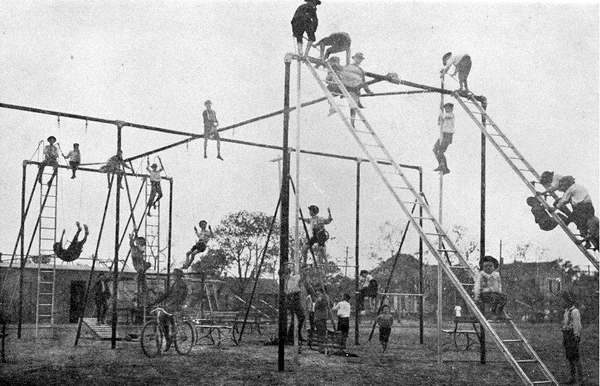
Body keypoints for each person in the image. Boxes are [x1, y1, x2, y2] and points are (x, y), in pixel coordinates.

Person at [152, 268, 188, 351]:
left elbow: (181, 297)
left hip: (177, 306)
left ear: (178, 276)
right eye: (173, 275)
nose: (173, 276)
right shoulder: (174, 284)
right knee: (162, 318)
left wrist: (173, 303)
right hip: (170, 305)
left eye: (174, 275)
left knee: (164, 317)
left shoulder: (182, 284)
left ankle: (170, 338)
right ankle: (168, 338)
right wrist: (157, 300)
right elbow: (167, 293)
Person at [343, 52, 374, 127]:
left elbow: (363, 82)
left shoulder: (361, 70)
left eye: (360, 59)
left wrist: (368, 91)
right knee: (353, 102)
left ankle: (352, 121)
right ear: (354, 58)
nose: (359, 60)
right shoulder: (348, 66)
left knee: (354, 105)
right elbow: (343, 75)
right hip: (347, 85)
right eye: (358, 58)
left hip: (355, 88)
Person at [474, 255, 507, 320]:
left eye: (490, 266)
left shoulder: (496, 275)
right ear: (483, 267)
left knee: (503, 298)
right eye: (486, 266)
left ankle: (499, 312)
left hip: (494, 293)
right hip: (484, 294)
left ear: (494, 267)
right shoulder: (481, 275)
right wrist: (477, 297)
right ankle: (490, 313)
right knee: (493, 298)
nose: (488, 268)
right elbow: (477, 286)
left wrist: (499, 292)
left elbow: (499, 284)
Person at [561, 291, 583, 385]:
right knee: (570, 357)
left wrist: (576, 336)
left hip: (572, 336)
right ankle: (572, 377)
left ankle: (580, 380)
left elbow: (577, 325)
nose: (563, 303)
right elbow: (565, 323)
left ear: (569, 301)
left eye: (565, 301)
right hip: (566, 336)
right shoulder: (566, 311)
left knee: (576, 358)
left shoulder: (575, 311)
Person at [285, 265, 306, 343]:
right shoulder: (287, 282)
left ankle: (295, 335)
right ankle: (291, 336)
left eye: (287, 274)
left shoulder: (294, 277)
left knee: (301, 317)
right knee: (298, 317)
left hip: (296, 297)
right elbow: (288, 292)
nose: (286, 276)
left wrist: (304, 270)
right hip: (291, 298)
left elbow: (301, 276)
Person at [433, 102, 455, 174]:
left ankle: (444, 167)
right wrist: (439, 118)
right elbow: (439, 122)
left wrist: (440, 111)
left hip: (448, 135)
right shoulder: (445, 115)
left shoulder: (451, 115)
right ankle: (442, 166)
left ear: (451, 109)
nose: (446, 109)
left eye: (448, 108)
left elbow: (444, 116)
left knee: (441, 151)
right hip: (443, 134)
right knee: (435, 149)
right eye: (445, 108)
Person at [313, 286, 330, 352]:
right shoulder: (325, 297)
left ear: (321, 291)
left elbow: (321, 305)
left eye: (318, 291)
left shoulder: (322, 297)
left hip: (320, 317)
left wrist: (319, 301)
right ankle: (321, 347)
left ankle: (321, 348)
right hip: (322, 317)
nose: (316, 292)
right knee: (322, 332)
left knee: (321, 333)